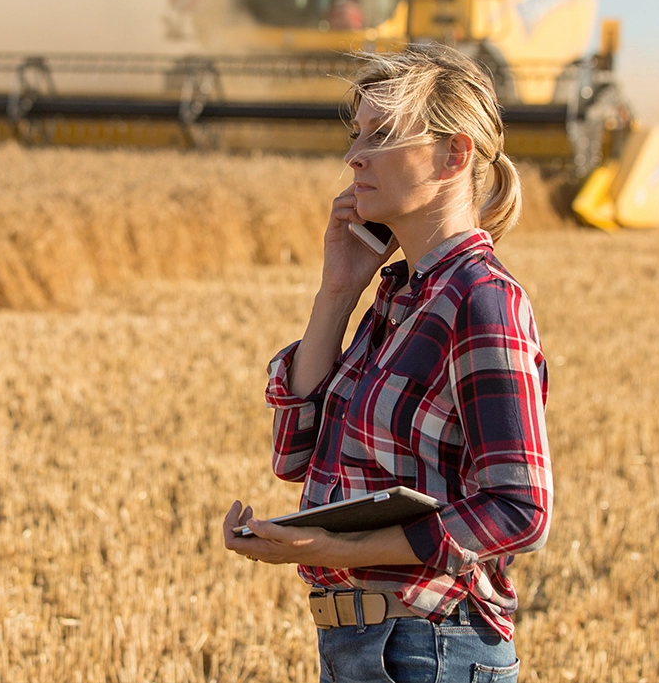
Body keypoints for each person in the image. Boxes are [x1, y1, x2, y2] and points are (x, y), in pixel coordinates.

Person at [222, 43, 552, 683]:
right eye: (356, 135)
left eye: (382, 135)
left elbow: (520, 509)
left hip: (433, 651)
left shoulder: (482, 302)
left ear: (454, 154)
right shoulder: (395, 298)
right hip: (362, 648)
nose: (353, 157)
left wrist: (339, 548)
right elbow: (294, 456)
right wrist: (337, 292)